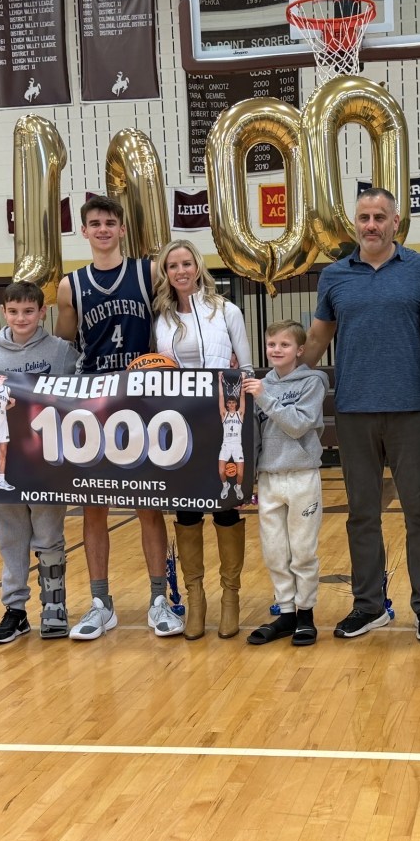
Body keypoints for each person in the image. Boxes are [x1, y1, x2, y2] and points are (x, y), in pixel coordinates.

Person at [303, 187, 420, 642]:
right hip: (354, 410)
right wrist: (274, 376)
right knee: (362, 514)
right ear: (354, 222)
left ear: (396, 221)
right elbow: (316, 343)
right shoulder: (334, 276)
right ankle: (368, 606)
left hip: (412, 410)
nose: (371, 225)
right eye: (364, 217)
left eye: (380, 217)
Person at [56, 195, 183, 641]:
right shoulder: (70, 287)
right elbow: (62, 347)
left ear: (123, 230)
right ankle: (100, 603)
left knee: (149, 504)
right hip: (95, 402)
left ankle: (158, 600)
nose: (104, 229)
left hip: (144, 399)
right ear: (84, 232)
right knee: (94, 507)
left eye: (111, 222)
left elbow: (177, 318)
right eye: (95, 223)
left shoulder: (147, 272)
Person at [0, 281, 79, 643]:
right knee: (10, 538)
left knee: (48, 535)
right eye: (14, 311)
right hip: (5, 464)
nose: (21, 318)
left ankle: (53, 605)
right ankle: (15, 609)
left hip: (46, 462)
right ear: (3, 312)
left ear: (43, 312)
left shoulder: (61, 351)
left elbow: (80, 397)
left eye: (29, 311)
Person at [153, 238, 253, 640]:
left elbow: (244, 367)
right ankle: (196, 599)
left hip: (223, 421)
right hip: (180, 427)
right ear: (165, 272)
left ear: (198, 267)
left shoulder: (226, 310)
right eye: (173, 265)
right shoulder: (159, 318)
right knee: (188, 511)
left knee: (226, 508)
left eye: (186, 263)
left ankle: (231, 598)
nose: (180, 271)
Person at [242, 320, 329, 646]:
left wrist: (265, 398)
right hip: (269, 478)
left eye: (284, 345)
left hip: (302, 475)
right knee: (275, 551)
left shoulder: (312, 382)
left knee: (303, 551)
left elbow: (297, 426)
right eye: (271, 344)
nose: (276, 350)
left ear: (300, 350)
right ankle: (287, 613)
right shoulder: (260, 385)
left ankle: (306, 614)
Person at [218, 374, 246, 502]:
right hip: (226, 445)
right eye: (229, 402)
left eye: (233, 402)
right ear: (227, 405)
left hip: (237, 445)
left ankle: (237, 488)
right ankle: (226, 486)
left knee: (240, 474)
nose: (231, 404)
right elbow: (221, 396)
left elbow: (242, 396)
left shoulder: (240, 414)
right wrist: (219, 380)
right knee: (221, 471)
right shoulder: (224, 415)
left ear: (236, 404)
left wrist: (244, 378)